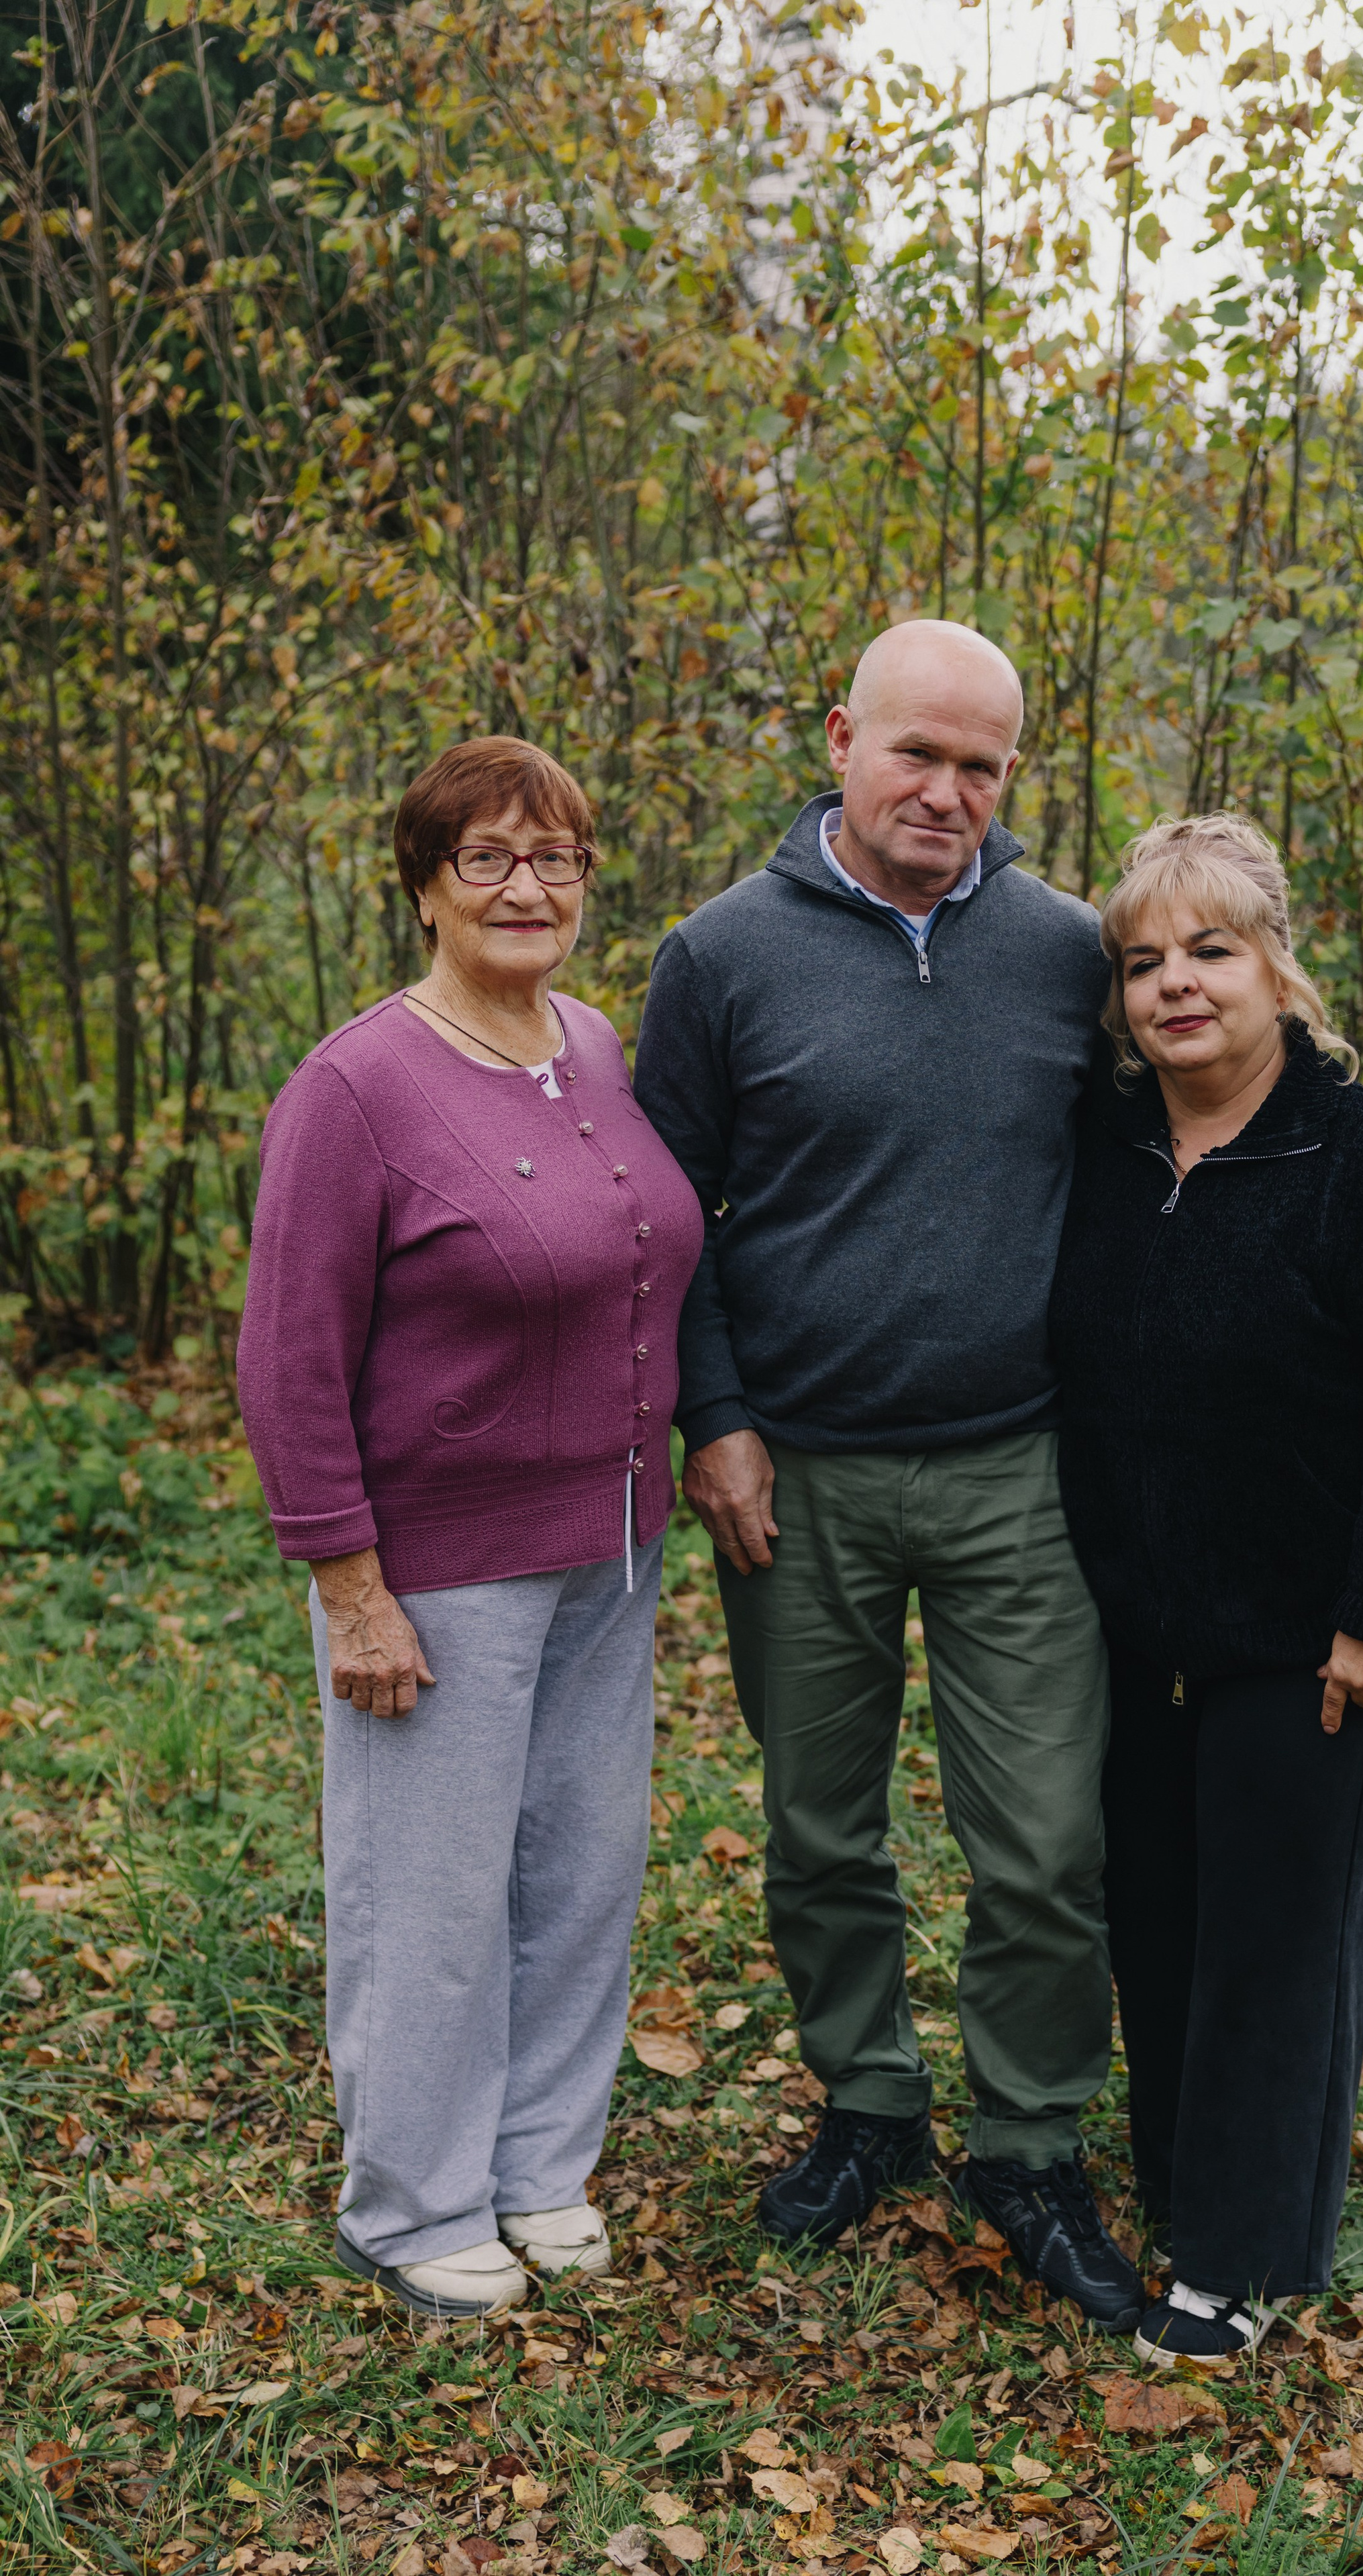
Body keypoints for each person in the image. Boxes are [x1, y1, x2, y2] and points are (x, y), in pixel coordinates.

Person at [632, 621, 1363, 2333]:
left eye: (981, 763)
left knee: (1043, 1844)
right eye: (914, 753)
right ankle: (865, 2102)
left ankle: (1024, 2137)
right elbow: (663, 1211)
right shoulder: (717, 957)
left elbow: (1214, 1075)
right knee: (819, 1824)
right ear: (842, 741)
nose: (944, 789)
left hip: (1022, 1467)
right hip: (799, 1468)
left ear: (1014, 773)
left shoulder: (1061, 947)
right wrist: (709, 1414)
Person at [237, 738, 703, 2319]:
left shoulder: (588, 1041)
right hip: (437, 1566)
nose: (528, 886)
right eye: (489, 858)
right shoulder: (356, 1084)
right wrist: (348, 1585)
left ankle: (535, 2165)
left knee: (579, 1871)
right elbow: (289, 1352)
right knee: (428, 1891)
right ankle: (413, 2195)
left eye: (557, 857)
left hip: (612, 1542)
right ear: (425, 882)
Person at [1049, 811, 1363, 2368]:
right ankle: (1184, 2177)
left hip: (1305, 1637)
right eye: (1142, 961)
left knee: (1272, 1934)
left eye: (1209, 950)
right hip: (1134, 1623)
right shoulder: (1101, 1143)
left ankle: (1233, 2252)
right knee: (1157, 1914)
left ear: (1277, 969)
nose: (1174, 984)